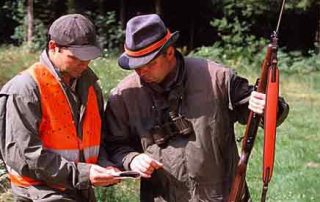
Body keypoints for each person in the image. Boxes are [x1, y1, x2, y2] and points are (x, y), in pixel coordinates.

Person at [103, 14, 289, 201]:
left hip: (221, 196)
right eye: (136, 66)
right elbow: (113, 145)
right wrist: (132, 159)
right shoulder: (123, 96)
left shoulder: (217, 78)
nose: (142, 72)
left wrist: (266, 106)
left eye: (149, 64)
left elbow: (264, 111)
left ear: (169, 52)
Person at [0, 14, 121, 201]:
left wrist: (105, 164)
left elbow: (97, 139)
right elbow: (25, 155)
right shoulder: (24, 89)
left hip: (80, 188)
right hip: (38, 193)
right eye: (76, 57)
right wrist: (83, 173)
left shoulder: (90, 86)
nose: (84, 63)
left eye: (89, 57)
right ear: (53, 47)